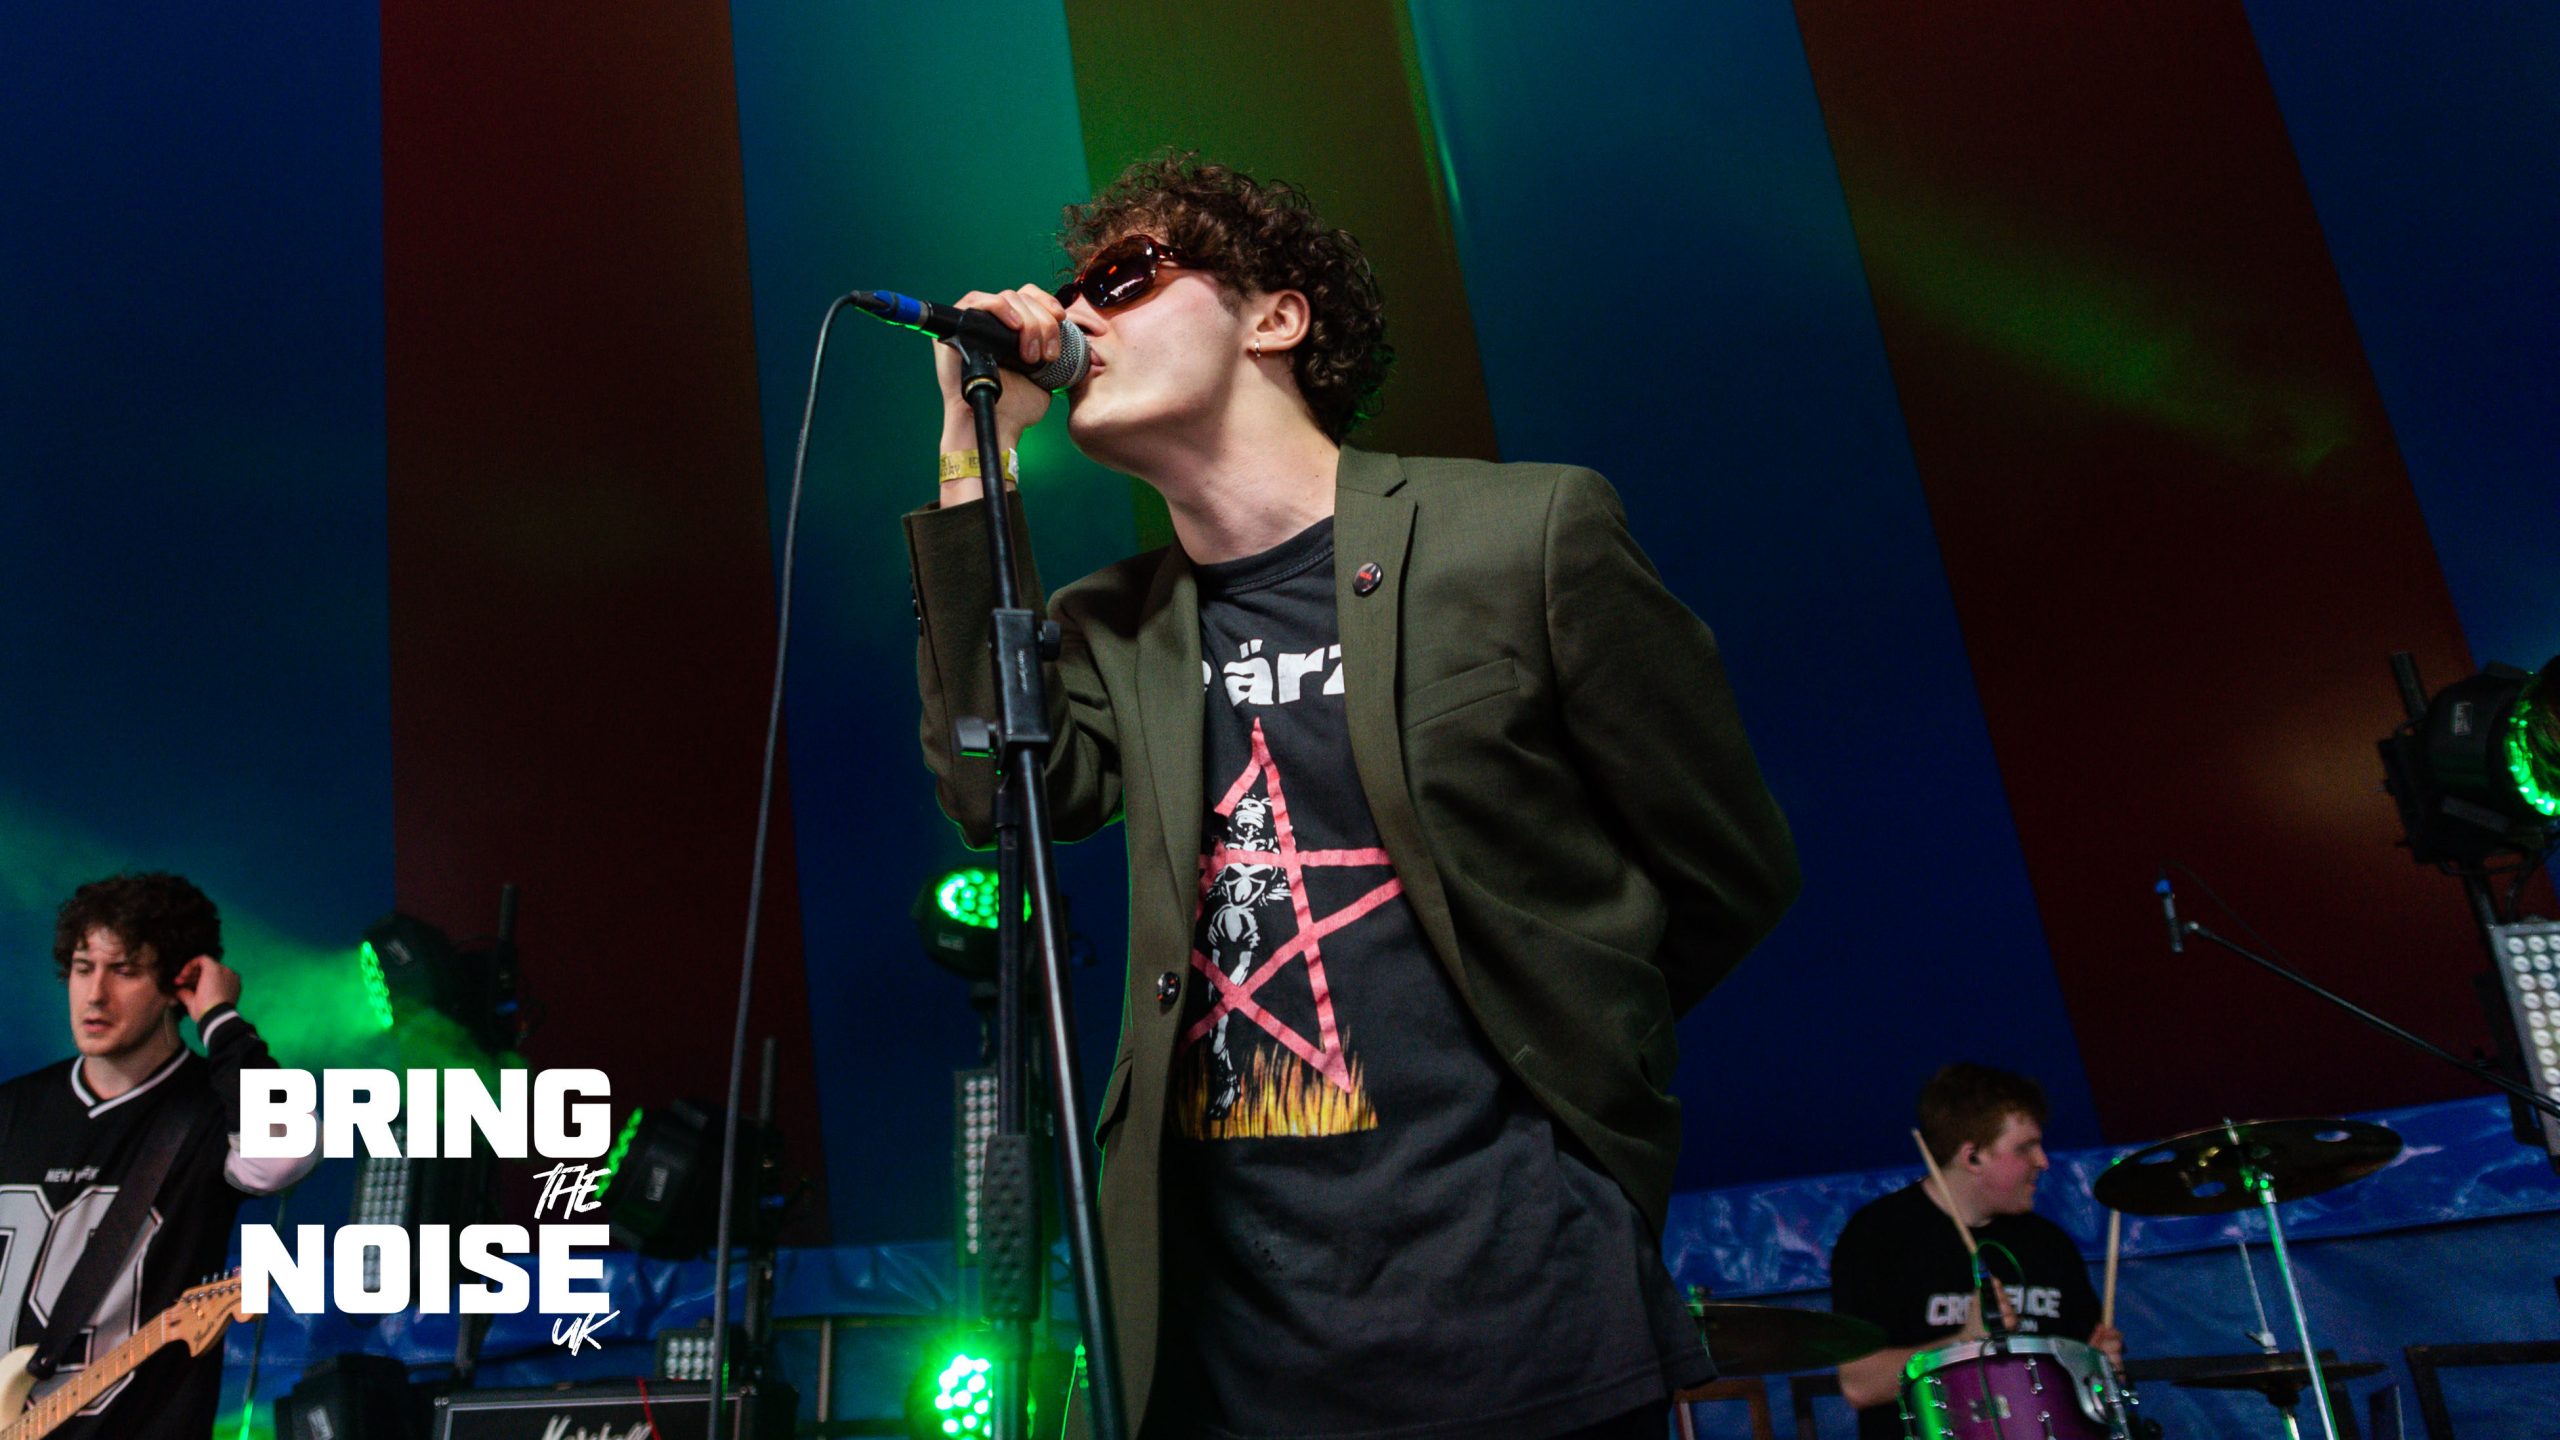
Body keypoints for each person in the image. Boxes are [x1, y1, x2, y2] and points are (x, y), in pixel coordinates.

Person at [907, 153, 1799, 1438]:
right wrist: (971, 452)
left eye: (1126, 276)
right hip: (1228, 1355)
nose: (1078, 313)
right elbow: (993, 791)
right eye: (1075, 289)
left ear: (1276, 317)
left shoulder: (1522, 534)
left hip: (1523, 1308)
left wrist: (1572, 1043)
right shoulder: (1111, 627)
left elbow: (1727, 868)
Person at [0, 873, 313, 1439]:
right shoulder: (13, 1108)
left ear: (177, 984)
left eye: (124, 971)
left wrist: (221, 1020)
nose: (95, 994)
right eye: (83, 968)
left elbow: (285, 1156)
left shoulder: (210, 1108)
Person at [1828, 1064, 2127, 1440]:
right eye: (2024, 1148)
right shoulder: (1878, 1236)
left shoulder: (2049, 1244)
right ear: (1972, 1157)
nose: (2043, 1161)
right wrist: (1964, 1343)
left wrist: (2098, 1367)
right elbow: (1859, 1385)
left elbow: (2084, 1386)